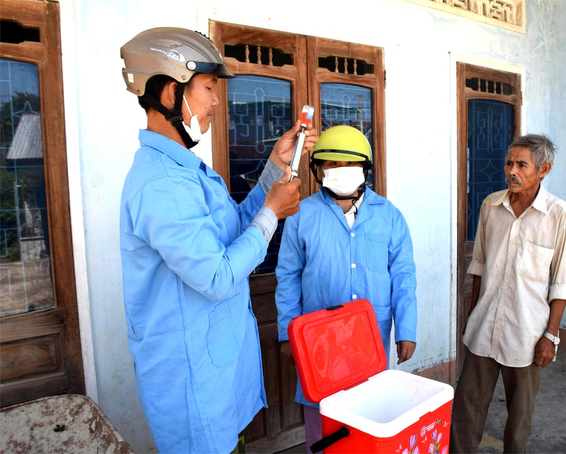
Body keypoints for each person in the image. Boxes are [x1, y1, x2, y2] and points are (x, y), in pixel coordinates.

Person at [118, 27, 318, 454]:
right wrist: (272, 213)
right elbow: (217, 276)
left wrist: (273, 167)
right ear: (172, 92)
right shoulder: (162, 185)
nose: (215, 101)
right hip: (192, 386)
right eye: (208, 87)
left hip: (217, 375)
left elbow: (234, 231)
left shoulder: (185, 169)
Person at [275, 125, 418, 453]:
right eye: (331, 165)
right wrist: (286, 332)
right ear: (318, 169)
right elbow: (287, 275)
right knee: (323, 423)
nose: (339, 172)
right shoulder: (302, 214)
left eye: (348, 166)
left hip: (372, 338)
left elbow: (403, 276)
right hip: (318, 341)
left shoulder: (389, 216)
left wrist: (406, 330)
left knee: (368, 417)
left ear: (365, 170)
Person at [450, 134, 566, 453]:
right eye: (509, 162)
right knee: (466, 408)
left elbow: (562, 284)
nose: (512, 170)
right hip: (484, 327)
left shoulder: (559, 216)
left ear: (543, 169)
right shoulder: (491, 207)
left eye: (522, 164)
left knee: (519, 416)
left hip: (528, 333)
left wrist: (551, 337)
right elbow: (479, 266)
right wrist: (472, 316)